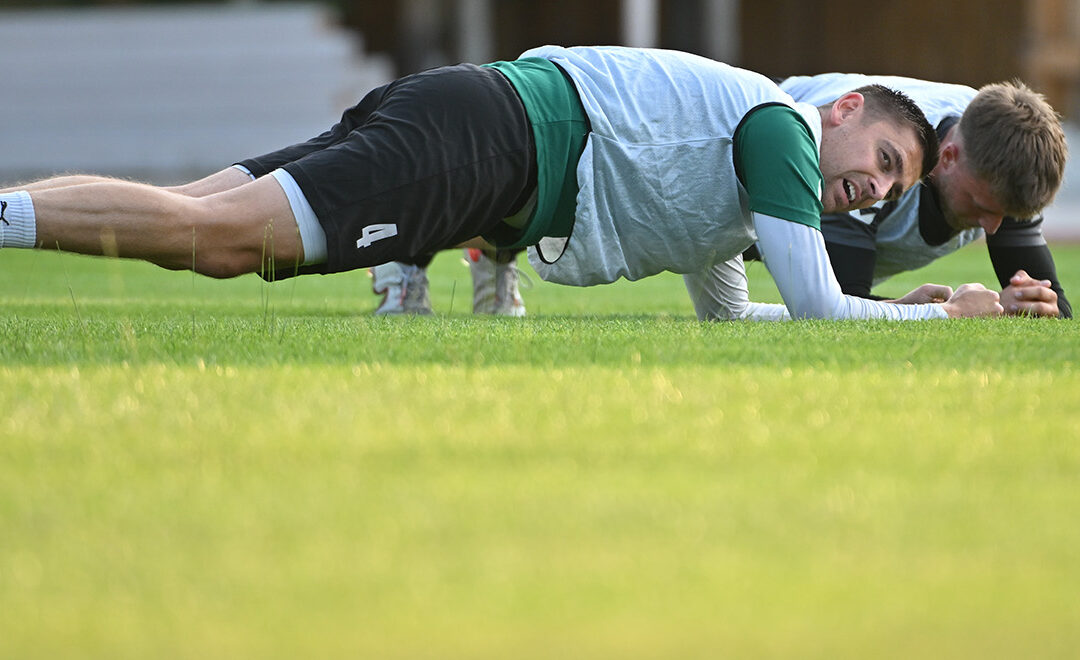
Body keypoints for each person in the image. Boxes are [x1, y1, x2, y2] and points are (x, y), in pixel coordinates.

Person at [0, 45, 1002, 320]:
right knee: (216, 240)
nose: (877, 190)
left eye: (894, 188)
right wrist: (947, 315)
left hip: (476, 125)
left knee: (204, 216)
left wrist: (914, 300)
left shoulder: (743, 195)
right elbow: (824, 310)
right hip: (485, 139)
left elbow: (740, 321)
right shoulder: (781, 135)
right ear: (844, 110)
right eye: (881, 160)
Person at [685, 74, 1069, 321]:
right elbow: (831, 304)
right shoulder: (872, 158)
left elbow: (1056, 312)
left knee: (725, 312)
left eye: (1009, 217)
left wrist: (1028, 305)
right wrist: (952, 313)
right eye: (982, 208)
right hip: (743, 182)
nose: (992, 228)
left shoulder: (1006, 153)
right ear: (947, 158)